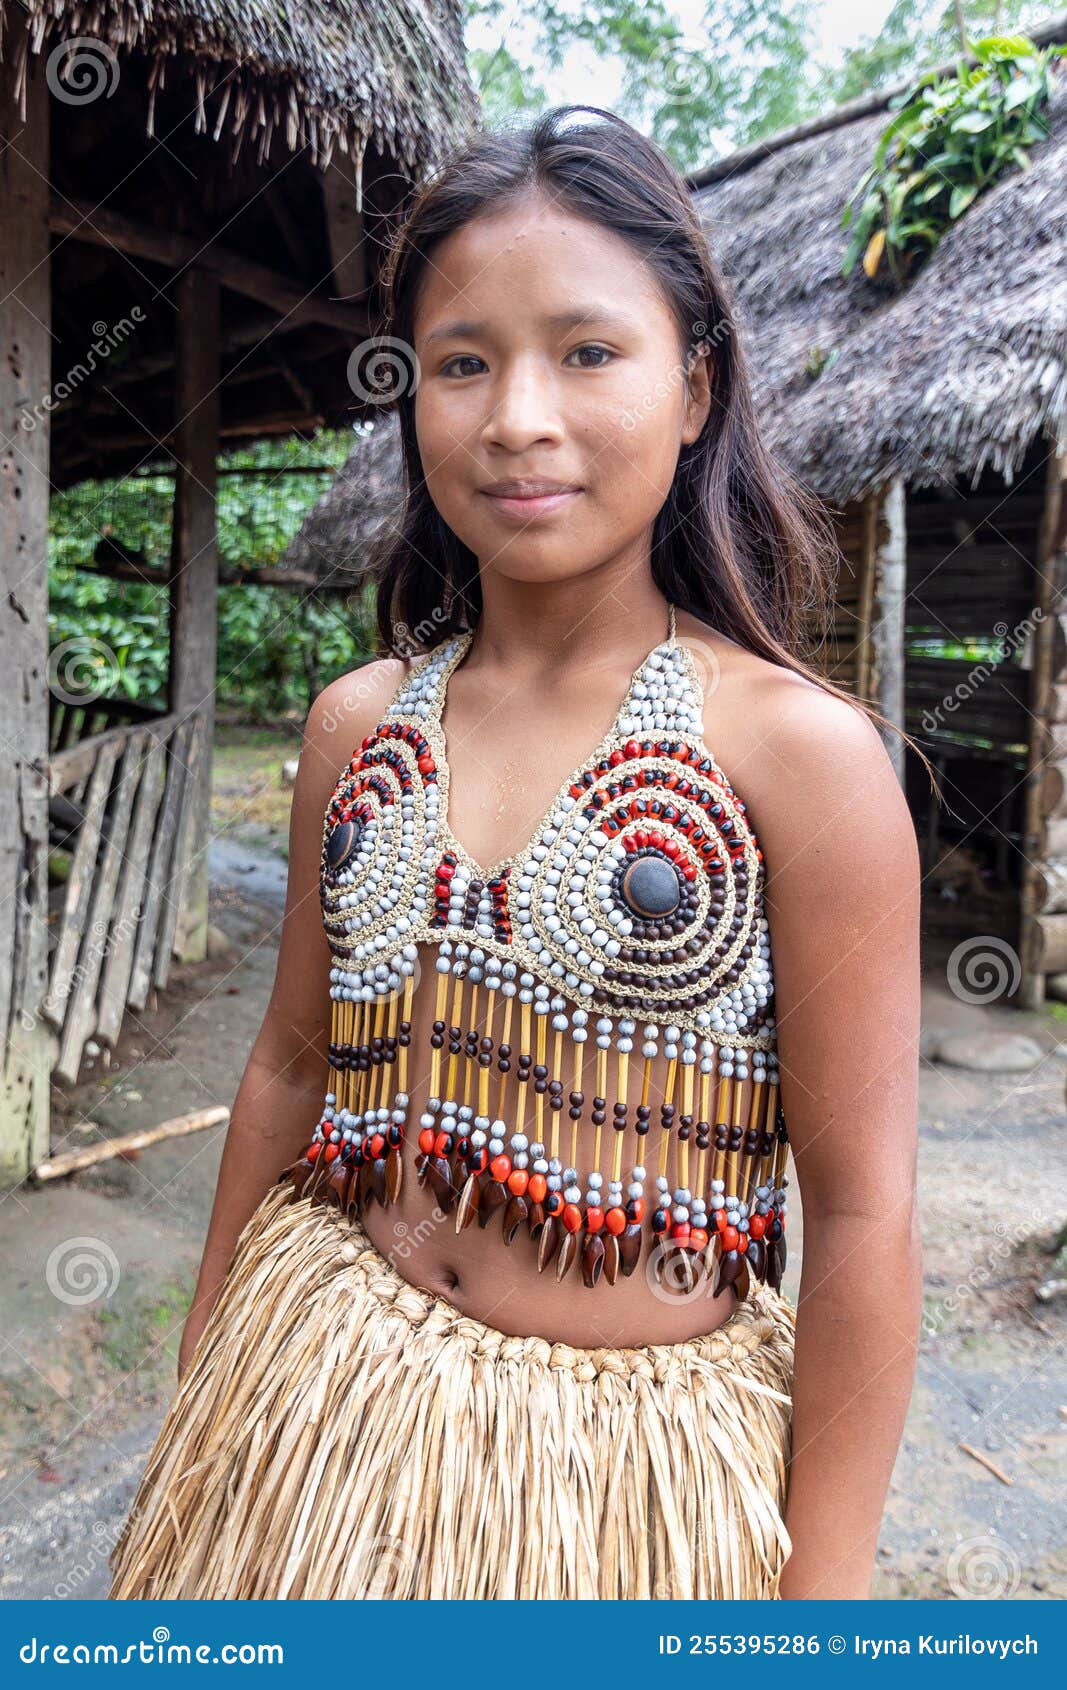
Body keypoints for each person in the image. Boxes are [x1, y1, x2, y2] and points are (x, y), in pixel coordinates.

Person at [108, 105, 922, 1602]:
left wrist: (830, 1587)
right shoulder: (361, 726)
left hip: (623, 1492)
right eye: (462, 360)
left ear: (698, 387)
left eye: (588, 352)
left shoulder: (800, 760)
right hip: (316, 1410)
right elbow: (291, 1067)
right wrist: (203, 1372)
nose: (517, 417)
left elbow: (864, 1206)